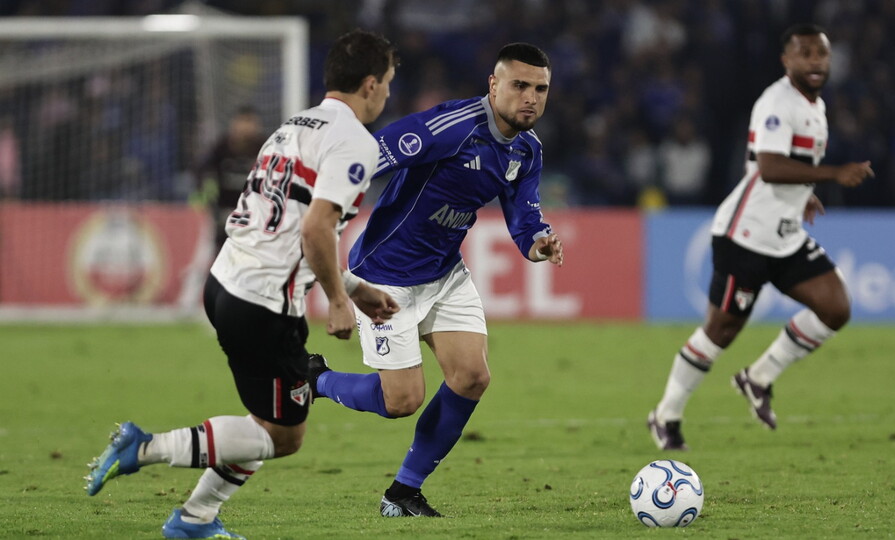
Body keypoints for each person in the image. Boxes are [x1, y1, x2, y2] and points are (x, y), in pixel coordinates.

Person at [84, 29, 401, 539]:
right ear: (369, 84)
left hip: (225, 282)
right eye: (386, 81)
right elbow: (315, 229)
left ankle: (194, 519)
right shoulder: (354, 141)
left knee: (265, 421)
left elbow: (284, 229)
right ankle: (143, 448)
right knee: (284, 436)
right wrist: (339, 300)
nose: (387, 91)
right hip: (264, 304)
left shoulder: (291, 127)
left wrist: (353, 286)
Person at [308, 42, 563, 517]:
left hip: (445, 273)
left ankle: (403, 493)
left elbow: (524, 218)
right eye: (520, 85)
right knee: (402, 400)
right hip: (386, 277)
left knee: (471, 377)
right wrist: (322, 208)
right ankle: (315, 380)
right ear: (494, 85)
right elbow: (372, 156)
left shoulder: (527, 150)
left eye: (541, 89)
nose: (531, 97)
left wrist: (539, 242)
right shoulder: (451, 127)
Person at [646, 24, 874, 451]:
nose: (815, 62)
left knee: (835, 306)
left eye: (821, 54)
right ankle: (665, 415)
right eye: (805, 53)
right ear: (787, 60)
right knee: (720, 331)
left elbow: (773, 164)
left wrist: (804, 195)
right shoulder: (776, 103)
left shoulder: (816, 105)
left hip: (785, 236)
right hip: (745, 237)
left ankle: (759, 377)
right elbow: (768, 167)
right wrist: (833, 174)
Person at [194, 105, 266, 252]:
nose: (246, 128)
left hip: (254, 218)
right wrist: (206, 195)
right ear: (234, 124)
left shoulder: (265, 149)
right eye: (243, 122)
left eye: (250, 122)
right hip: (224, 216)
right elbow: (200, 170)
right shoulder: (221, 148)